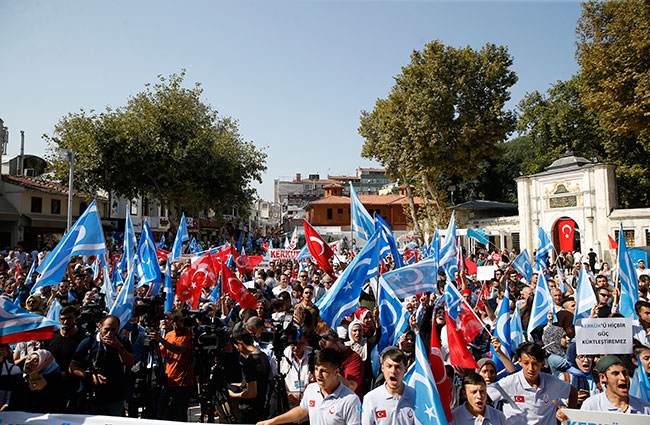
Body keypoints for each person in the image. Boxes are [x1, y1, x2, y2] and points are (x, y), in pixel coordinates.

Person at [257, 347, 361, 425]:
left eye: (324, 371)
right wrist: (271, 422)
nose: (318, 375)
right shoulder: (311, 389)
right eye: (316, 369)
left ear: (336, 372)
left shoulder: (351, 400)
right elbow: (302, 411)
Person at [486, 342, 578, 425]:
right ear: (520, 362)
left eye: (535, 364)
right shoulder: (509, 382)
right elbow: (484, 395)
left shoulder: (552, 382)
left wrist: (570, 414)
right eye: (526, 363)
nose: (530, 368)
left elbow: (572, 392)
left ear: (542, 364)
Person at [70, 315, 135, 416]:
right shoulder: (88, 342)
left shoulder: (123, 341)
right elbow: (73, 367)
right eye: (107, 329)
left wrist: (119, 347)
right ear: (100, 326)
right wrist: (89, 376)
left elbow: (129, 363)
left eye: (114, 330)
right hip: (92, 395)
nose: (109, 333)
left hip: (115, 394)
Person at [149, 310, 195, 421]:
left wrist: (160, 340)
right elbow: (162, 352)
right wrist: (153, 343)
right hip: (169, 380)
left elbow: (179, 349)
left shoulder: (188, 334)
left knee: (180, 415)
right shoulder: (169, 335)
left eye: (183, 321)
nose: (182, 324)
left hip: (183, 382)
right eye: (179, 321)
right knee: (161, 414)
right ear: (173, 322)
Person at [44, 305, 87, 412]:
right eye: (63, 319)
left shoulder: (83, 339)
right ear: (59, 319)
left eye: (69, 319)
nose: (65, 322)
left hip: (74, 387)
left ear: (75, 319)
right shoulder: (52, 337)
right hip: (52, 386)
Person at [228, 323, 271, 423]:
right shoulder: (263, 356)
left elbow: (251, 393)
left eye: (236, 346)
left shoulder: (250, 362)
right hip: (261, 407)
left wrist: (234, 395)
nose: (237, 349)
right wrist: (240, 384)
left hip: (250, 411)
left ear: (240, 343)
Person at [579, 355, 650, 414]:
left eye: (624, 373)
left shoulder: (644, 408)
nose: (623, 378)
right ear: (603, 377)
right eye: (616, 374)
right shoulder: (591, 406)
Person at [362, 347, 415, 425]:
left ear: (405, 370)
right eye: (389, 366)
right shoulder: (371, 399)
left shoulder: (415, 397)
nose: (393, 371)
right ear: (382, 368)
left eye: (398, 367)